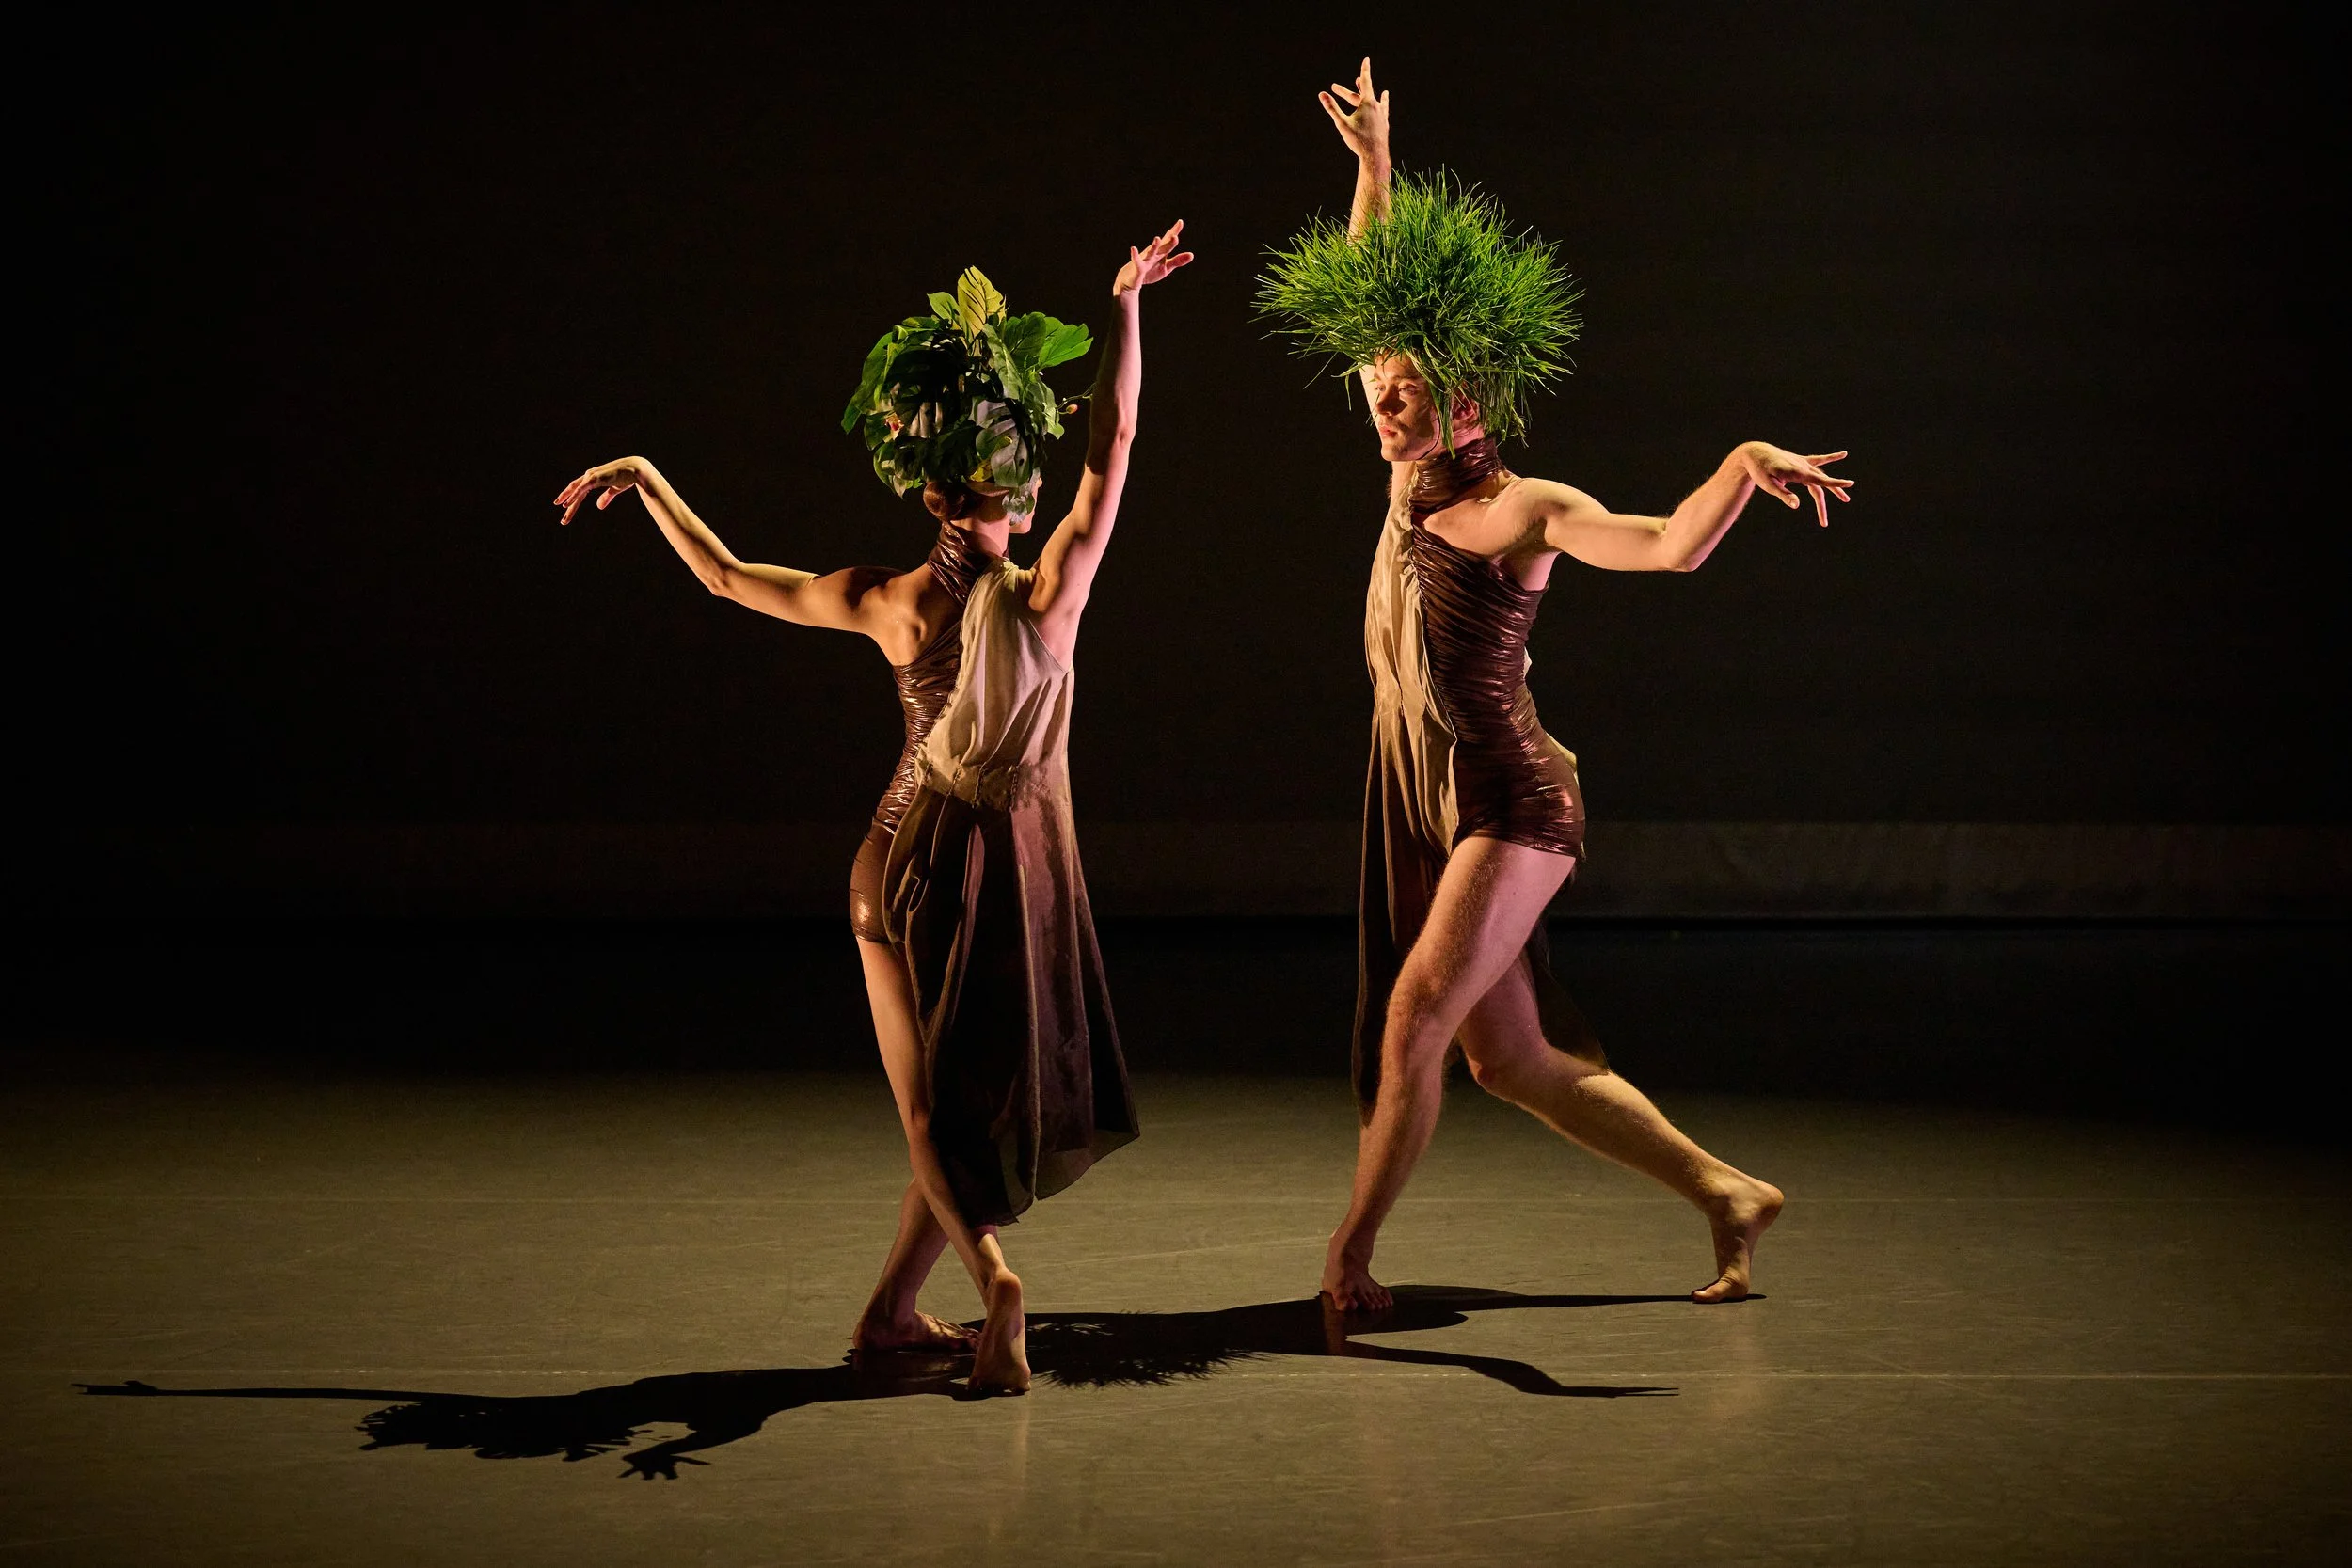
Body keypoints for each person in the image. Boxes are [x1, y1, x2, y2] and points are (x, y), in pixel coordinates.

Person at [555, 221, 1194, 1390]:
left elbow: (727, 576)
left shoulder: (887, 596)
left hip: (888, 865)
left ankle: (893, 1311)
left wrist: (648, 477)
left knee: (931, 1105)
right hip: (988, 869)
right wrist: (1126, 309)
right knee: (944, 1109)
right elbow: (1118, 439)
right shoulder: (1050, 594)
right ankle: (993, 1279)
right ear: (1005, 481)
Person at [1263, 61, 1853, 1310]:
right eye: (1379, 386)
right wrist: (1374, 162)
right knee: (1512, 1056)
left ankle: (1350, 1261)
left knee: (1418, 1022)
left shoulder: (1520, 505)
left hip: (1512, 799)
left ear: (1469, 400)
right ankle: (1729, 1192)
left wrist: (1744, 462)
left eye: (1406, 388)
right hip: (1434, 798)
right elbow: (1378, 297)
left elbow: (1666, 544)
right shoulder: (1407, 471)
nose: (1382, 396)